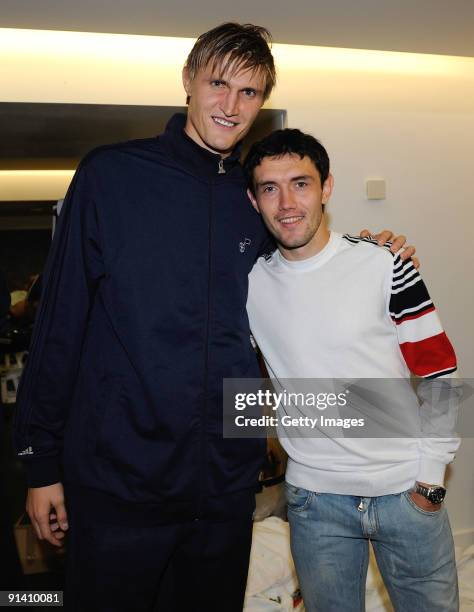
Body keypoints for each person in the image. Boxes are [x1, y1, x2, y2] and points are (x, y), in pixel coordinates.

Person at [14, 23, 415, 612]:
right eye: (218, 83)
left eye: (249, 93)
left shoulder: (253, 198)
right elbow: (60, 324)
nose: (231, 106)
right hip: (121, 480)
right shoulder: (111, 176)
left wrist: (373, 252)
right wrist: (39, 460)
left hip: (225, 488)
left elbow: (306, 253)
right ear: (188, 82)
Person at [244, 129, 460, 612]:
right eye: (269, 188)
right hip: (314, 502)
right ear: (253, 201)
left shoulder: (386, 265)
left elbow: (441, 375)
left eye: (300, 183)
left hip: (406, 490)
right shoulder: (250, 285)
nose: (286, 203)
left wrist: (430, 479)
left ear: (327, 188)